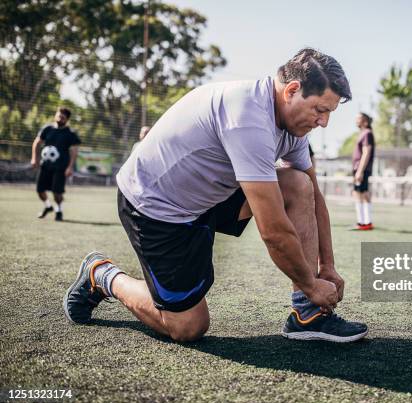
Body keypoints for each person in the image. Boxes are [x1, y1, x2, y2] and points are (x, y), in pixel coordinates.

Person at [63, 48, 368, 343]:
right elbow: (274, 230)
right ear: (291, 90)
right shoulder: (248, 115)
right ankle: (102, 275)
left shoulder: (292, 127)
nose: (324, 122)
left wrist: (327, 265)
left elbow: (313, 198)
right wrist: (311, 284)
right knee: (188, 326)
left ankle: (307, 315)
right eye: (320, 110)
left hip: (208, 197)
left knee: (299, 184)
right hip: (157, 208)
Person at [31, 107, 81, 221]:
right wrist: (34, 158)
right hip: (45, 165)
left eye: (63, 117)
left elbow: (74, 151)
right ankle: (48, 206)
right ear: (55, 115)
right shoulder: (47, 129)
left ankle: (59, 210)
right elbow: (37, 142)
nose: (60, 118)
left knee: (57, 192)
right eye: (59, 115)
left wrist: (70, 167)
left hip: (61, 167)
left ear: (67, 120)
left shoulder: (70, 134)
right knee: (40, 190)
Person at [351, 112, 375, 230]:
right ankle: (363, 222)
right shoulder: (363, 133)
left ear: (365, 121)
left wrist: (360, 171)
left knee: (362, 193)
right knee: (360, 193)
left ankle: (365, 223)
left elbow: (366, 152)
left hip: (361, 169)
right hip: (358, 168)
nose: (356, 120)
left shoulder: (367, 133)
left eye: (358, 118)